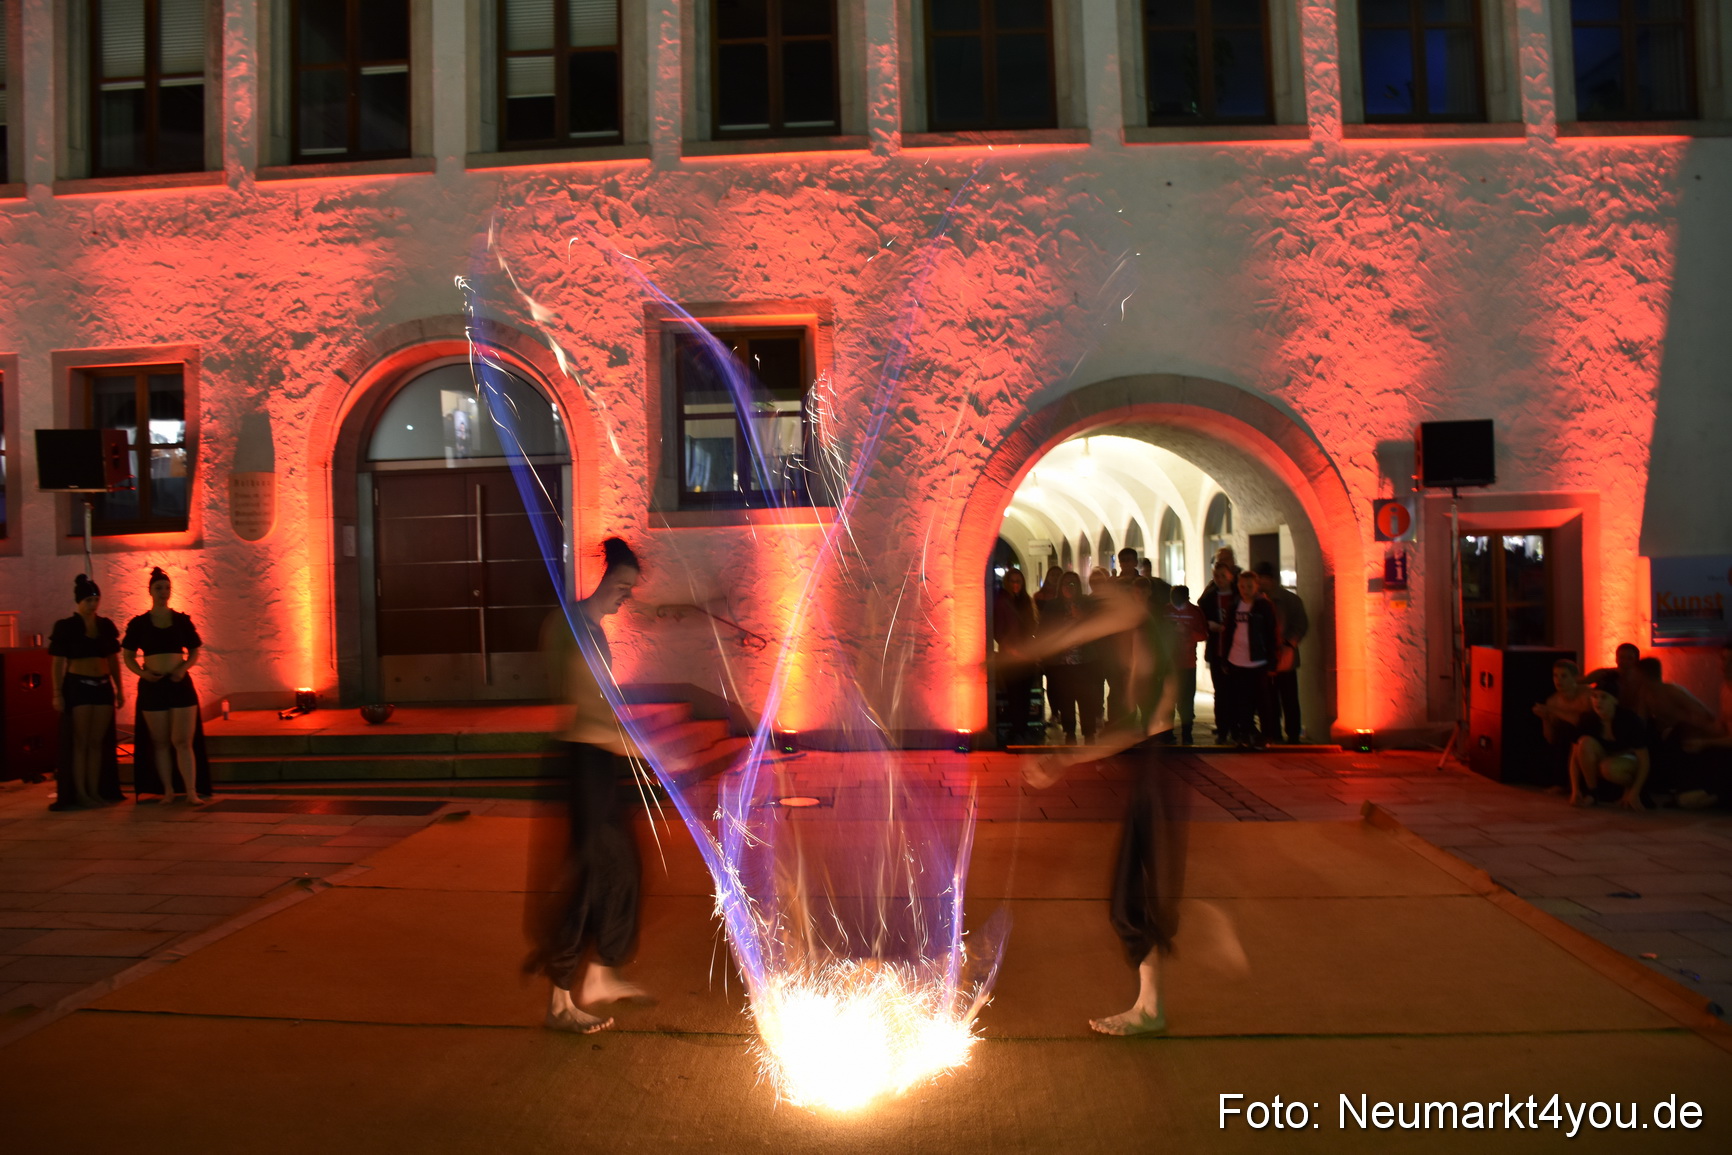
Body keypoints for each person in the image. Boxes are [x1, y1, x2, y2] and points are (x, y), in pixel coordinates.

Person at [531, 538, 653, 1035]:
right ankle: (560, 1000)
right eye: (622, 585)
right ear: (604, 579)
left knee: (622, 869)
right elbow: (584, 699)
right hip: (586, 761)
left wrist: (627, 741)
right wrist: (629, 744)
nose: (626, 595)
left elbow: (599, 701)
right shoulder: (574, 625)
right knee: (588, 877)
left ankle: (601, 974)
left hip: (600, 759)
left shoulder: (592, 630)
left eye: (630, 588)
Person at [122, 567, 212, 804]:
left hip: (178, 683)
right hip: (153, 684)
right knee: (160, 741)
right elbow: (128, 655)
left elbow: (194, 651)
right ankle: (168, 790)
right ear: (150, 591)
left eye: (167, 588)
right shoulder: (140, 623)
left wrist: (183, 668)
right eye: (159, 588)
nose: (164, 592)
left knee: (182, 740)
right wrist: (142, 673)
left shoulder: (181, 620)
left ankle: (191, 791)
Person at [47, 574, 125, 809]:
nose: (93, 605)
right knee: (80, 741)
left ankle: (94, 789)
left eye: (96, 600)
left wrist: (119, 689)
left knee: (96, 742)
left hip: (102, 685)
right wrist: (57, 692)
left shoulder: (105, 626)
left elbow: (113, 659)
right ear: (79, 601)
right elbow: (57, 662)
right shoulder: (66, 627)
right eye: (89, 600)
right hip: (78, 684)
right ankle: (80, 792)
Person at [1568, 675, 1650, 811]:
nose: (1598, 701)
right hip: (1603, 762)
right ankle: (1592, 793)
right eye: (1595, 696)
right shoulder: (1588, 719)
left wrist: (1635, 792)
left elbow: (1644, 761)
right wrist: (1575, 790)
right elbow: (1574, 757)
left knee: (1609, 768)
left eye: (1603, 697)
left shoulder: (1629, 720)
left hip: (1626, 764)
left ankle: (1629, 791)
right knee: (1584, 743)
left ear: (1614, 701)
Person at [1219, 569, 1280, 749]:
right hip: (1237, 659)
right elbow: (1228, 631)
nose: (1246, 589)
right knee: (1241, 700)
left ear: (1256, 587)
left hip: (1258, 660)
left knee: (1263, 701)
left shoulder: (1264, 606)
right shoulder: (1235, 604)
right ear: (1238, 586)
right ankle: (1244, 734)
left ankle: (1266, 735)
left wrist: (1272, 661)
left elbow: (1271, 634)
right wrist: (1225, 658)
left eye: (1249, 586)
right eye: (1243, 586)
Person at [1253, 562, 1308, 743]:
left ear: (1272, 580)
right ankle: (1272, 731)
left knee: (1289, 696)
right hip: (1265, 658)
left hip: (1285, 657)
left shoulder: (1289, 600)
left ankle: (1292, 733)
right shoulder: (1257, 600)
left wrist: (1288, 642)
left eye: (1262, 579)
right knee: (1268, 697)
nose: (1260, 582)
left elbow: (1300, 625)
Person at [1037, 572, 1093, 743]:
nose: (1069, 588)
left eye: (1073, 584)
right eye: (1066, 584)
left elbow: (1096, 627)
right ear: (1060, 588)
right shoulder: (1053, 606)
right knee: (1066, 698)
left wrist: (1081, 617)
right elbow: (1044, 630)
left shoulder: (1086, 604)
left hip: (1084, 660)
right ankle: (1070, 732)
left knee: (1086, 698)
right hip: (1061, 661)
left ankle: (1089, 733)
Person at [993, 569, 1040, 745]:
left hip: (1027, 656)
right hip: (1011, 657)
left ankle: (1022, 728)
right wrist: (1009, 648)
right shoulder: (1002, 602)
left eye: (1018, 581)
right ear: (1006, 582)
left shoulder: (1027, 601)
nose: (1015, 584)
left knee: (1025, 695)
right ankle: (1016, 730)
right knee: (1014, 695)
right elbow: (998, 629)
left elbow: (1033, 626)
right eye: (1012, 580)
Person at [1532, 660, 1593, 791]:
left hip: (1589, 737)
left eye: (1564, 676)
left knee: (1568, 729)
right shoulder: (1553, 700)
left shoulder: (1587, 695)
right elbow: (1550, 738)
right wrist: (1545, 718)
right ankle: (1559, 782)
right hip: (1565, 740)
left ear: (1575, 678)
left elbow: (1581, 723)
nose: (1558, 680)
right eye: (1555, 676)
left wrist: (1552, 711)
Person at [1197, 563, 1238, 743]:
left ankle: (1237, 728)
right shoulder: (1209, 598)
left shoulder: (1239, 596)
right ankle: (1222, 728)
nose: (1219, 579)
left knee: (1236, 692)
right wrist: (1209, 625)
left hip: (1237, 653)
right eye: (1216, 576)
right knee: (1220, 692)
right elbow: (1200, 619)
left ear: (1230, 576)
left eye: (1223, 575)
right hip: (1217, 650)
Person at [1167, 586, 1209, 745]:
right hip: (1169, 664)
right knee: (1169, 700)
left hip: (1187, 663)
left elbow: (1203, 634)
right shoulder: (1166, 610)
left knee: (1186, 701)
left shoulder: (1194, 612)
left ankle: (1187, 733)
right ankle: (1168, 733)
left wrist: (1186, 631)